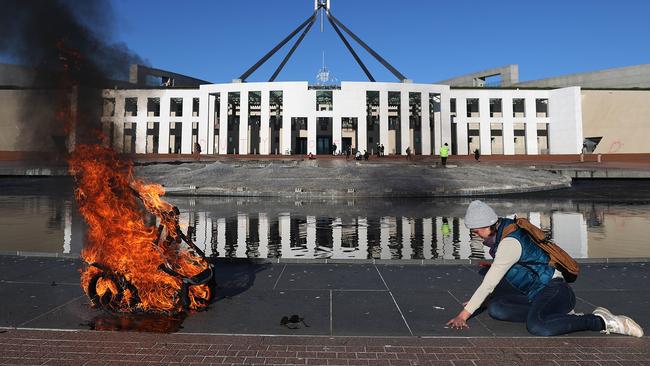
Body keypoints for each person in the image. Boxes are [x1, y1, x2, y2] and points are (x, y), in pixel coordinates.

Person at [446, 200, 644, 337]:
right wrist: (484, 302)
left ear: (490, 224)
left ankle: (601, 321)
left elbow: (490, 281)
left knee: (538, 326)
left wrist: (464, 315)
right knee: (496, 308)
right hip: (534, 292)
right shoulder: (505, 228)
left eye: (477, 230)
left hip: (554, 290)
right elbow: (510, 273)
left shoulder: (509, 243)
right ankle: (555, 315)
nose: (477, 234)